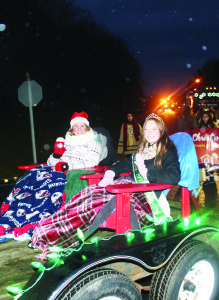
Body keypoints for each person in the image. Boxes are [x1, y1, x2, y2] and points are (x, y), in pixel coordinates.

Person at [32, 113, 181, 261]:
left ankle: (53, 238)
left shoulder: (167, 152)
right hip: (126, 186)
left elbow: (173, 177)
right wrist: (110, 172)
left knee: (95, 203)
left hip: (143, 195)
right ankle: (44, 229)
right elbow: (124, 164)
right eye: (147, 129)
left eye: (154, 129)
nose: (149, 133)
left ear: (161, 131)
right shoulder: (143, 151)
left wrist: (148, 175)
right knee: (88, 192)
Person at [0, 111, 105, 240]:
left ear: (87, 127)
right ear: (72, 128)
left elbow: (91, 162)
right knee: (33, 175)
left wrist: (66, 166)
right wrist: (56, 156)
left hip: (69, 171)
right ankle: (13, 212)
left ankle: (32, 219)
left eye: (82, 126)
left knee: (48, 183)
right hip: (56, 169)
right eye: (76, 126)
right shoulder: (66, 142)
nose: (79, 129)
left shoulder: (93, 143)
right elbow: (51, 162)